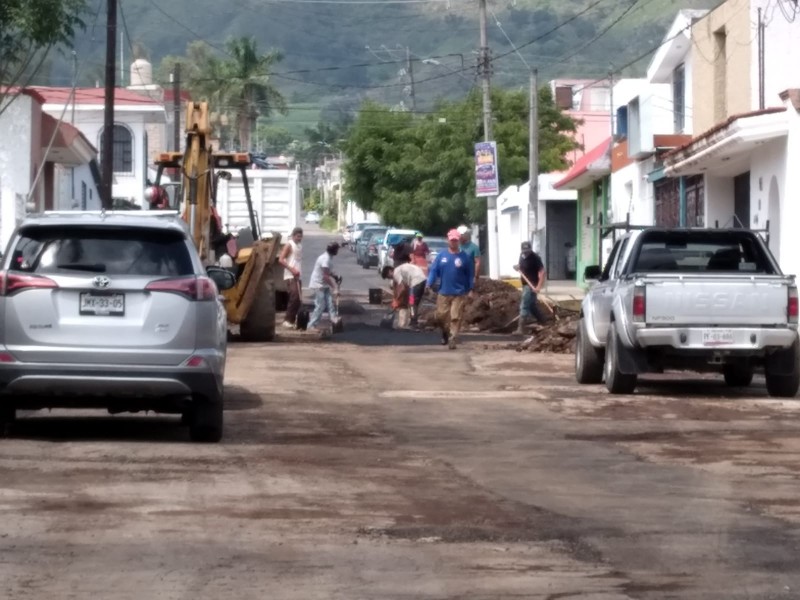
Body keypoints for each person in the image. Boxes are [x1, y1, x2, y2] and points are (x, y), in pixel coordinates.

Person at [427, 228, 474, 350]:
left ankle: (453, 338)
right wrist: (429, 283)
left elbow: (470, 275)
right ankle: (444, 332)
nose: (454, 242)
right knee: (441, 316)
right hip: (443, 292)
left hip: (459, 293)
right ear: (448, 240)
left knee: (455, 317)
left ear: (459, 241)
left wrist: (471, 289)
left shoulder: (465, 257)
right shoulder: (441, 256)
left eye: (456, 240)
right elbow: (433, 271)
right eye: (452, 240)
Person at [513, 241, 547, 335]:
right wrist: (517, 267)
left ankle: (521, 328)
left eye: (528, 251)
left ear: (531, 249)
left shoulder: (535, 258)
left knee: (524, 305)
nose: (526, 252)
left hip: (531, 285)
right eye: (524, 251)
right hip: (525, 284)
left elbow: (542, 272)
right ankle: (543, 321)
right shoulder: (521, 255)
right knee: (532, 305)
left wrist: (539, 286)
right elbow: (521, 266)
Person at [307, 242, 342, 331]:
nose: (338, 251)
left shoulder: (329, 258)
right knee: (320, 305)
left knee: (330, 303)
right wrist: (335, 288)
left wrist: (335, 276)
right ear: (333, 250)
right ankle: (311, 325)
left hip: (323, 285)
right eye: (337, 249)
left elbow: (328, 272)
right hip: (318, 285)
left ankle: (334, 320)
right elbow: (325, 276)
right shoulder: (325, 259)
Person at [381, 262, 427, 328]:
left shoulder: (396, 272)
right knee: (414, 303)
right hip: (422, 280)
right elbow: (405, 288)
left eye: (388, 277)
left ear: (390, 271)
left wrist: (397, 300)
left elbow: (402, 288)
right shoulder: (400, 269)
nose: (390, 278)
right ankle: (414, 321)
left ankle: (413, 323)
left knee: (412, 303)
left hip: (416, 281)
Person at [278, 227, 303, 329]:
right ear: (293, 236)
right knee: (294, 297)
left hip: (298, 275)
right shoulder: (289, 245)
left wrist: (297, 272)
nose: (299, 238)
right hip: (290, 275)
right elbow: (281, 260)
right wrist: (291, 269)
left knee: (298, 299)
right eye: (297, 236)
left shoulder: (300, 245)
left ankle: (292, 321)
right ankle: (287, 320)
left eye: (301, 237)